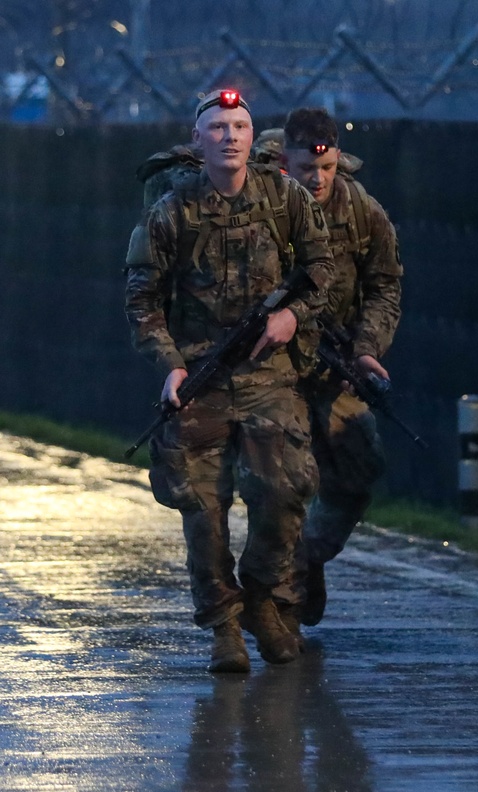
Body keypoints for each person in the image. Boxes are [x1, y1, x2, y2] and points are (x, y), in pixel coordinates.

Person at [124, 89, 346, 673]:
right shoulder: (172, 211)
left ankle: (263, 595)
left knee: (286, 488)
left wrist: (292, 315)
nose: (229, 136)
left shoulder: (284, 197)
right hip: (199, 374)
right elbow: (142, 296)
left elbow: (322, 267)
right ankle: (223, 624)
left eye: (240, 126)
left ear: (254, 139)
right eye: (218, 127)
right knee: (203, 505)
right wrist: (169, 363)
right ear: (198, 141)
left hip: (268, 375)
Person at [273, 108, 403, 635]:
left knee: (359, 464)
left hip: (339, 363)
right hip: (273, 365)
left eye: (326, 170)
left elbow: (386, 283)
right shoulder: (263, 205)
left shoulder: (360, 209)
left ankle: (306, 557)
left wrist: (368, 349)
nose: (317, 180)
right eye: (307, 168)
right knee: (279, 480)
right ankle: (278, 589)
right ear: (286, 161)